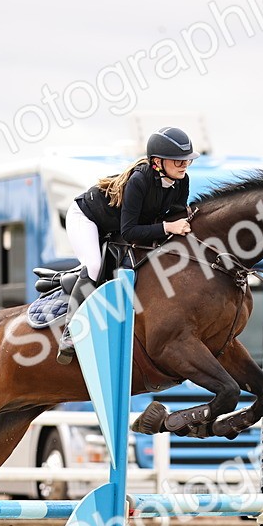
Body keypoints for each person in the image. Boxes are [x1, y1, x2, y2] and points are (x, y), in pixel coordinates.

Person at [57, 126, 199, 363]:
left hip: (117, 225)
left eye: (186, 160)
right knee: (93, 265)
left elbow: (175, 217)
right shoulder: (139, 180)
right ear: (157, 162)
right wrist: (167, 227)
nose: (183, 165)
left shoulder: (181, 181)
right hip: (87, 218)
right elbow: (130, 231)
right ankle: (71, 332)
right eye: (177, 161)